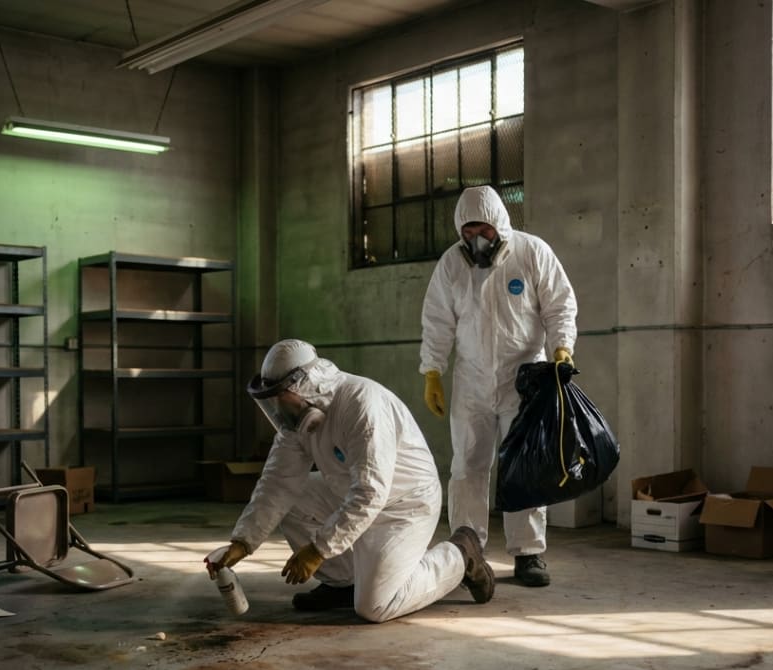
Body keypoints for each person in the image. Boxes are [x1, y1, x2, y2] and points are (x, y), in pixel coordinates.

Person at [205, 339, 495, 623]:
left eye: (282, 400)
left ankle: (460, 554)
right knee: (292, 497)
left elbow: (370, 491)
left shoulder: (362, 404)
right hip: (349, 492)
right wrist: (243, 541)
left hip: (403, 505)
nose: (279, 412)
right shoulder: (298, 422)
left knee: (375, 606)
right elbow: (277, 482)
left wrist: (319, 549)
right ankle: (343, 584)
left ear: (305, 384)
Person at [419, 185, 578, 588]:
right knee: (467, 466)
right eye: (468, 230)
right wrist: (432, 371)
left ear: (500, 227)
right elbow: (437, 321)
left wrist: (561, 346)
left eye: (483, 230)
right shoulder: (452, 265)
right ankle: (467, 552)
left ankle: (528, 554)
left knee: (523, 466)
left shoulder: (530, 252)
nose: (476, 238)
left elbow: (560, 303)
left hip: (523, 379)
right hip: (471, 381)